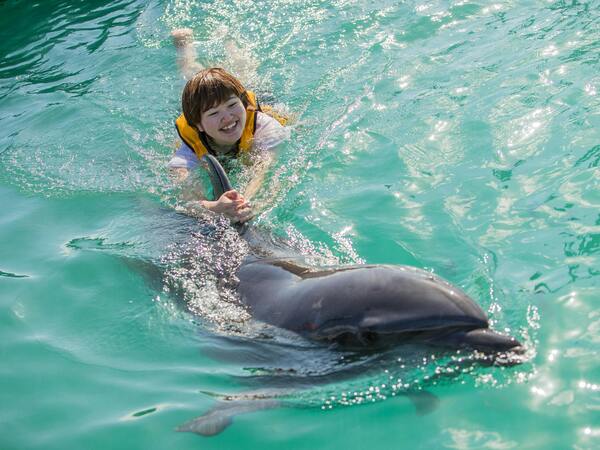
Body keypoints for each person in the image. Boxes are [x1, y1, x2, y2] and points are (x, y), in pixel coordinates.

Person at [168, 29, 289, 224]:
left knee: (245, 73)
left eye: (232, 106)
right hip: (207, 110)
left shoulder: (265, 127)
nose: (227, 117)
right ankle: (184, 48)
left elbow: (263, 173)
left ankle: (229, 39)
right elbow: (186, 198)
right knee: (190, 76)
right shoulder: (188, 150)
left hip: (262, 102)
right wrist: (215, 207)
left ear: (242, 104)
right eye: (214, 113)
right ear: (198, 124)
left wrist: (244, 204)